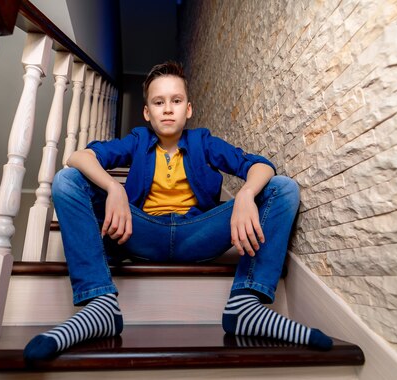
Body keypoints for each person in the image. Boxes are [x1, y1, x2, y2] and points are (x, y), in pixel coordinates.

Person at [24, 61, 332, 360]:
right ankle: (100, 303)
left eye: (176, 100)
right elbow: (80, 157)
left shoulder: (203, 141)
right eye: (158, 102)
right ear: (147, 112)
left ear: (188, 109)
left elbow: (260, 166)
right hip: (141, 232)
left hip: (198, 234)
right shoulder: (138, 140)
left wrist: (246, 195)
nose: (168, 108)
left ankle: (246, 305)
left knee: (283, 188)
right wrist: (114, 188)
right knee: (67, 180)